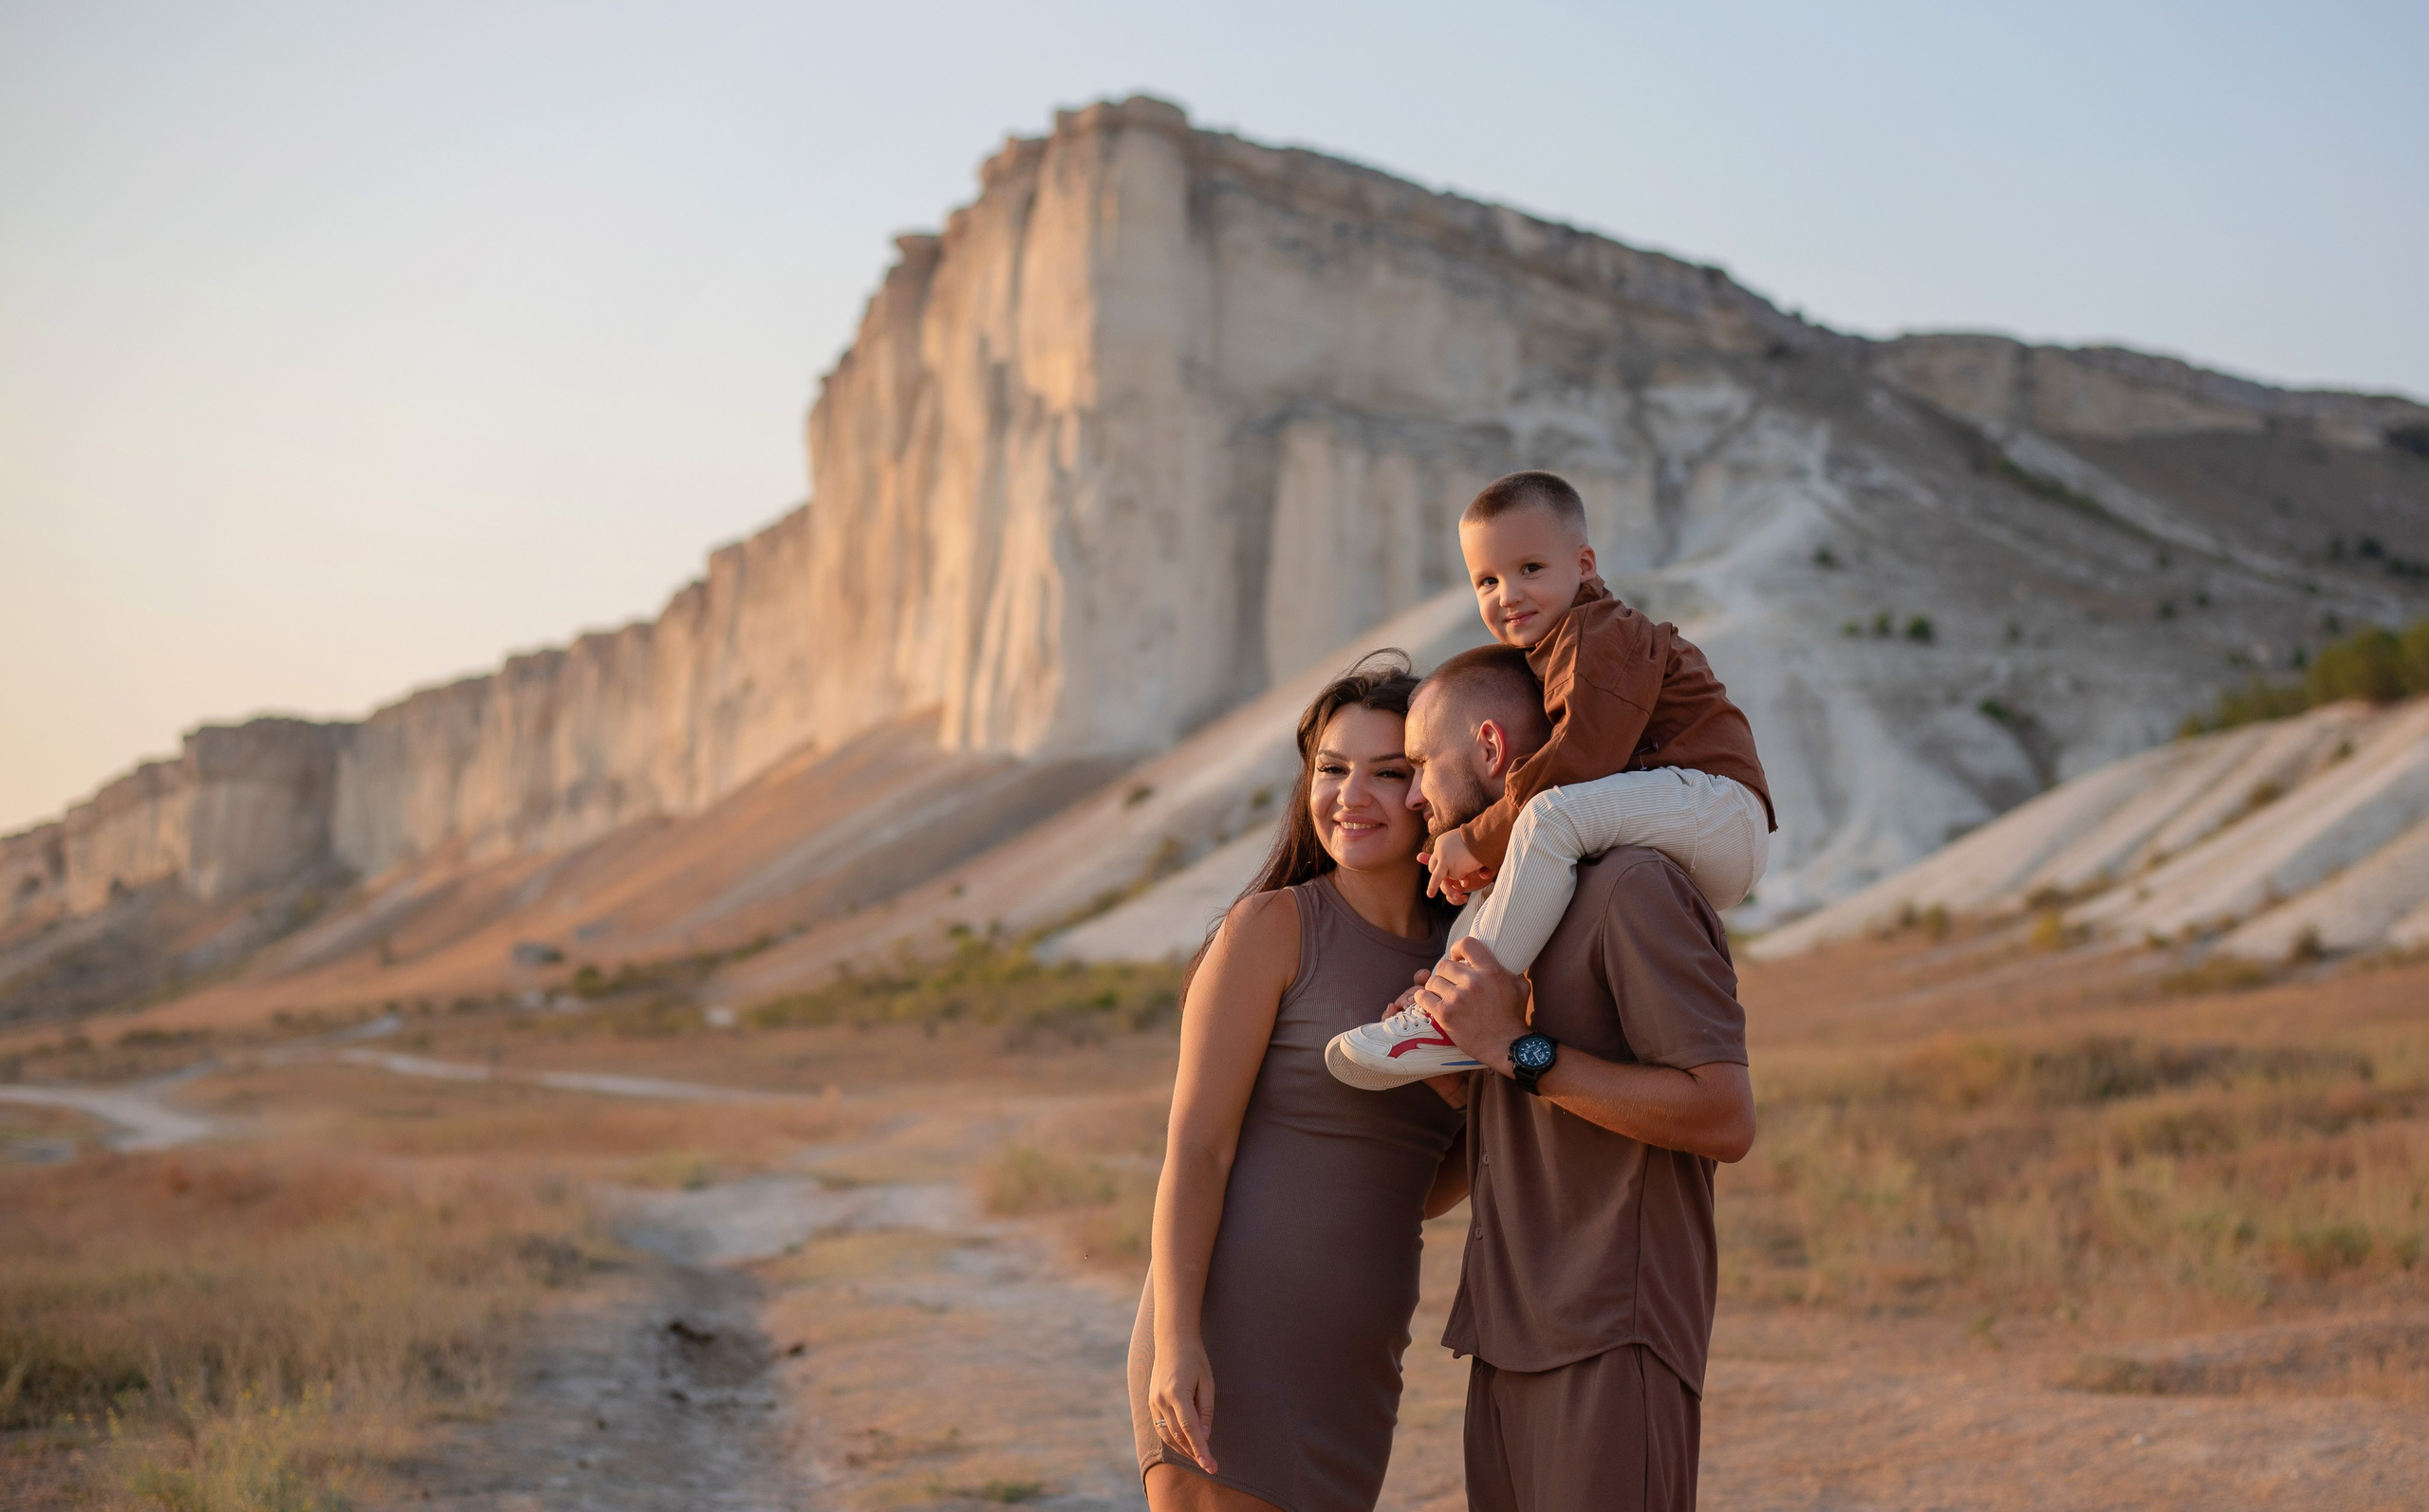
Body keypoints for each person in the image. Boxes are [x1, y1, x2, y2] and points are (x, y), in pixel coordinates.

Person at [1401, 645, 1757, 1512]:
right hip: (1502, 1335)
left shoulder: (1633, 885)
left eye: (1417, 765)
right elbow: (1527, 1112)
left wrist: (1516, 1049)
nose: (1410, 797)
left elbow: (1724, 1117)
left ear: (1490, 748)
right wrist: (1457, 1066)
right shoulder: (1497, 921)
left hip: (1610, 1336)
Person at [1127, 652, 1473, 1512]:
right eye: (1332, 769)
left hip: (1358, 1355)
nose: (1351, 795)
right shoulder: (1274, 928)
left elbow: (1421, 1185)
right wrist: (1177, 1344)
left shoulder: (1466, 958)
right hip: (1232, 1337)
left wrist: (1459, 1086)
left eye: (1388, 773)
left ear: (1434, 787)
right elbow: (1197, 1151)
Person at [1327, 470, 1773, 1089]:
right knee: (1514, 868)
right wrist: (1492, 853)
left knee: (1548, 815)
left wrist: (1476, 838)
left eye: (1530, 569)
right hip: (1676, 814)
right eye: (1487, 581)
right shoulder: (1554, 650)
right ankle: (1442, 1002)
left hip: (1716, 809)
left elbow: (1578, 761)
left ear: (1584, 565)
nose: (1508, 594)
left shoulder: (1597, 634)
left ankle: (1450, 1020)